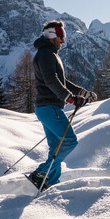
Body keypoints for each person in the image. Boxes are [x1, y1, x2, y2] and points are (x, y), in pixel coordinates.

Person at [26, 20, 96, 191]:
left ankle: (50, 182)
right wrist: (70, 99)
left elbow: (62, 81)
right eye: (61, 36)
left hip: (47, 107)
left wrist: (81, 92)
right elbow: (51, 80)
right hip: (49, 107)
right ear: (52, 36)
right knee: (70, 141)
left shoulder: (49, 54)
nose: (63, 41)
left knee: (56, 147)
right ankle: (41, 172)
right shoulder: (46, 54)